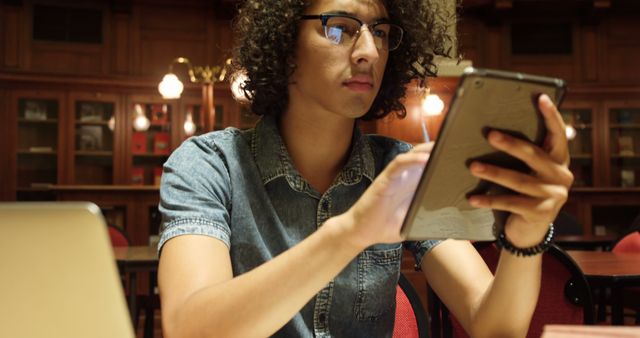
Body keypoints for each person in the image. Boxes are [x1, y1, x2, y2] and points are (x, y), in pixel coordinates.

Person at [156, 0, 574, 337]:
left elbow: (493, 326)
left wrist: (526, 238)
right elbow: (191, 329)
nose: (369, 51)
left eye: (380, 32)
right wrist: (352, 230)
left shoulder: (398, 166)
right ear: (285, 46)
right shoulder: (209, 165)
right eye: (339, 27)